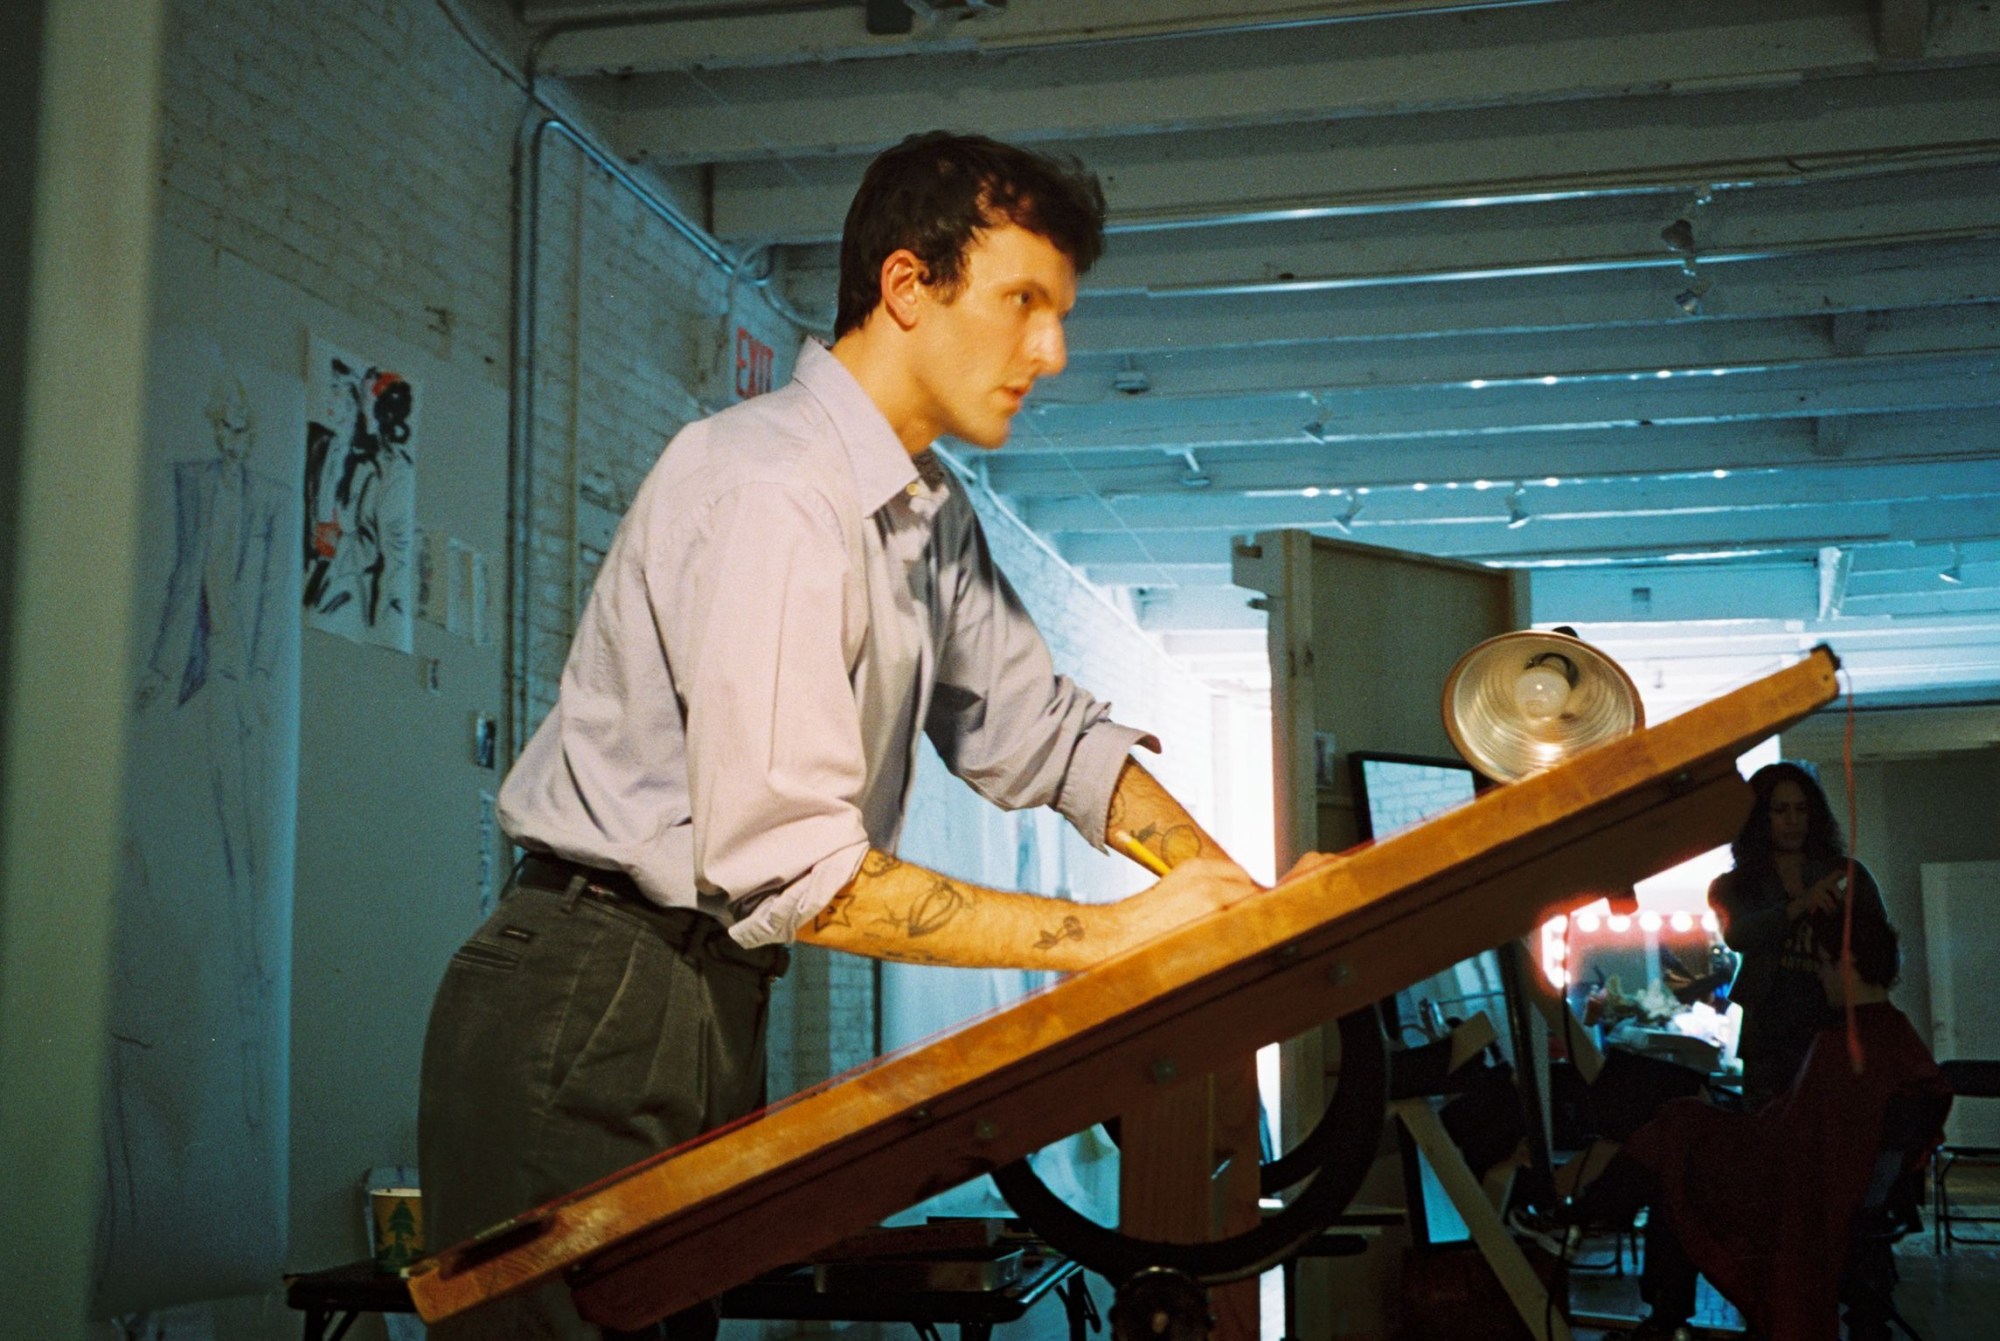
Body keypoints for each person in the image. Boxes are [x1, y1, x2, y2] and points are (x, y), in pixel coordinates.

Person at [418, 131, 1270, 1341]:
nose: (1052, 352)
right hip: (593, 988)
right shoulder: (770, 486)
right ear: (907, 287)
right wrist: (1112, 939)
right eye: (1023, 302)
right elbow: (790, 867)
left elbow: (1049, 738)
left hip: (704, 990)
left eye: (1060, 313)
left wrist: (1218, 888)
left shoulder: (926, 513)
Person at [1570, 907, 1950, 1340]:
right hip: (1834, 1183)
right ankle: (1595, 1219)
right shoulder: (1894, 1039)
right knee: (1677, 1131)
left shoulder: (1840, 1047)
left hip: (1793, 1190)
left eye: (1823, 965)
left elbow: (1794, 1143)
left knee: (1675, 1138)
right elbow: (1813, 1130)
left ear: (1846, 963)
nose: (1819, 978)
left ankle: (1586, 1218)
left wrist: (1714, 1121)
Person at [1708, 761, 1886, 1110]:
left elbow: (1880, 949)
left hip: (1835, 1029)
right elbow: (1740, 935)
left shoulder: (1845, 874)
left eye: (1802, 809)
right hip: (1769, 1035)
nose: (1793, 820)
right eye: (1780, 810)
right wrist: (1800, 905)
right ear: (1760, 817)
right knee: (1770, 1137)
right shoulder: (1734, 886)